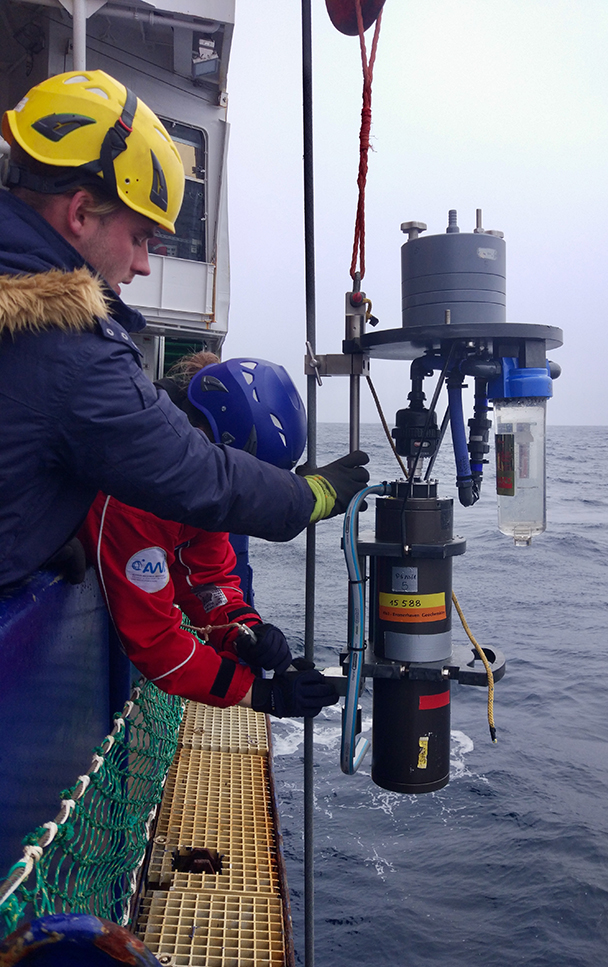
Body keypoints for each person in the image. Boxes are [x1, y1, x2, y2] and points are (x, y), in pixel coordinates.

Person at [0, 69, 369, 589]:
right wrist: (311, 495)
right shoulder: (70, 347)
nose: (143, 264)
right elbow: (195, 475)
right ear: (80, 212)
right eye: (139, 237)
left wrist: (38, 531)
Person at [79, 353, 338, 719]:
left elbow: (207, 580)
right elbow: (154, 640)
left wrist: (246, 632)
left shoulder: (199, 489)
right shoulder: (134, 495)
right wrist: (262, 695)